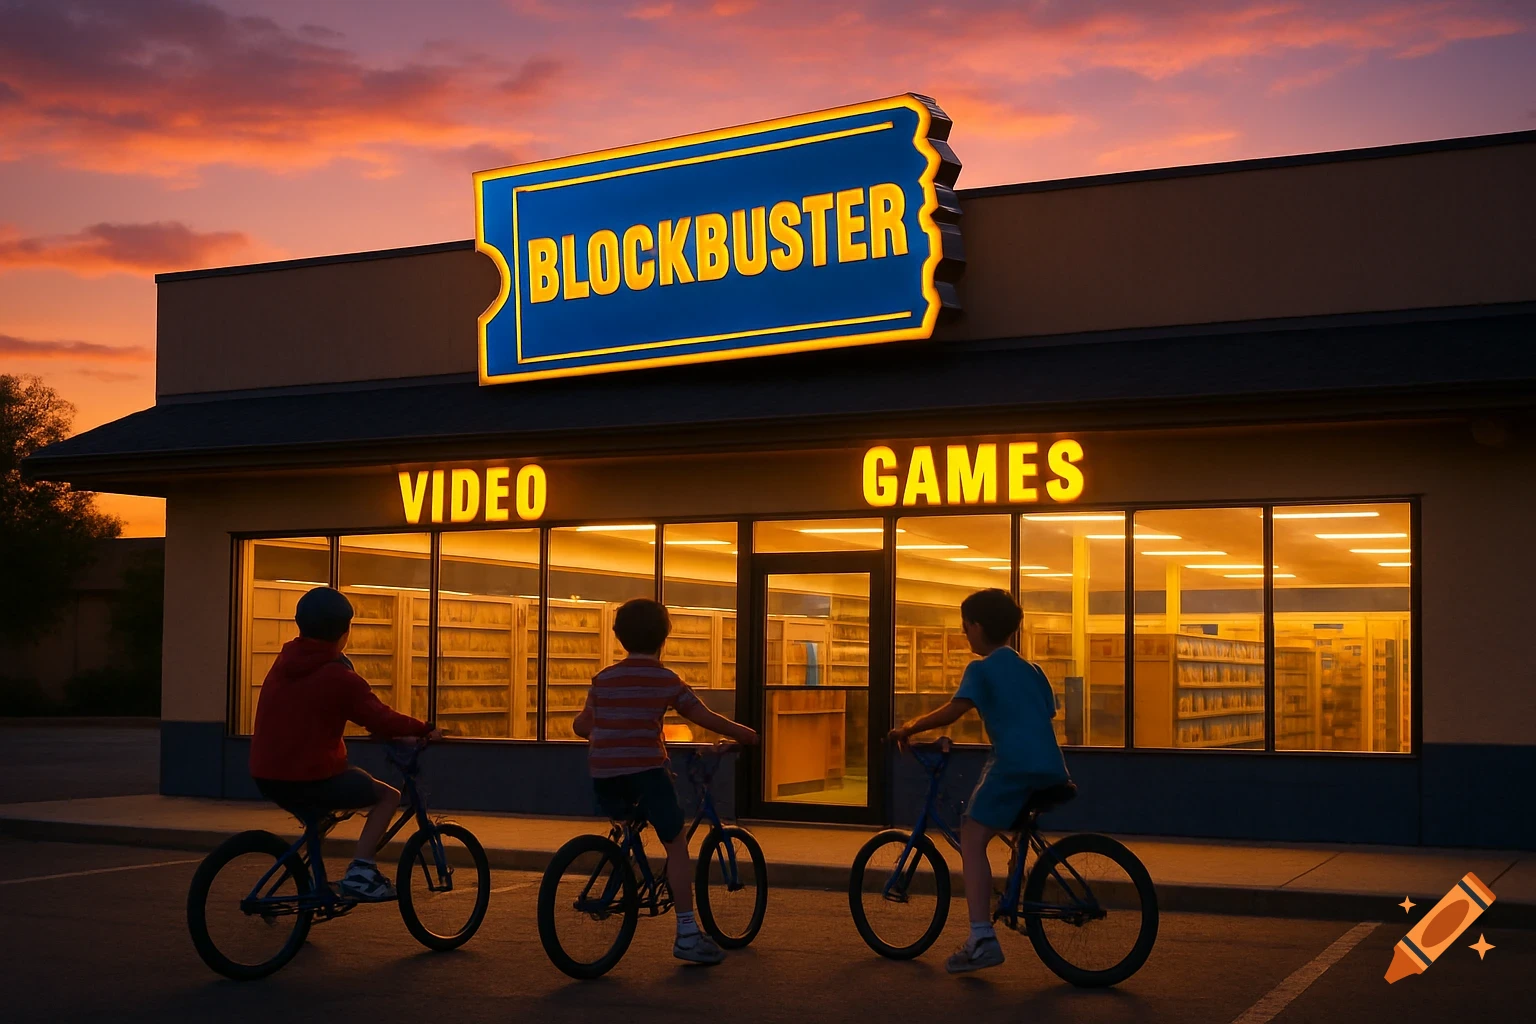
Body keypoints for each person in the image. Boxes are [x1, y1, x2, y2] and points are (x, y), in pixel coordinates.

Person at [887, 588, 1069, 974]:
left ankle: (982, 937)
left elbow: (955, 710)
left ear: (978, 626)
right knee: (1012, 830)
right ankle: (1015, 891)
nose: (964, 632)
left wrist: (909, 728)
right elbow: (1045, 714)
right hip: (1052, 766)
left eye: (965, 625)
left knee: (971, 834)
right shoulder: (1033, 670)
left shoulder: (981, 669)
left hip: (1013, 766)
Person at [572, 598, 759, 966]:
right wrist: (747, 735)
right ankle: (687, 934)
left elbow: (581, 725)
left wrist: (612, 723)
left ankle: (626, 863)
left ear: (619, 637)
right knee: (674, 842)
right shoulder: (665, 679)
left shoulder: (604, 679)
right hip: (646, 773)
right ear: (665, 637)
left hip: (604, 776)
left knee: (629, 821)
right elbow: (702, 716)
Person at [249, 586, 440, 902]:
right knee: (387, 796)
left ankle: (311, 888)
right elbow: (380, 717)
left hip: (267, 774)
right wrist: (425, 728)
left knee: (320, 821)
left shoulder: (285, 662)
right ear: (344, 630)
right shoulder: (338, 676)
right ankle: (362, 874)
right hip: (309, 776)